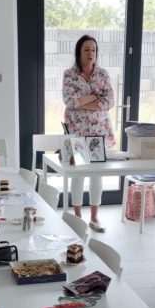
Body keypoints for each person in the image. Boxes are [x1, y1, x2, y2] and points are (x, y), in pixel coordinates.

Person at [62, 34, 115, 232]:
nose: (90, 53)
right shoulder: (70, 74)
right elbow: (69, 100)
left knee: (97, 175)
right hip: (76, 132)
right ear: (79, 52)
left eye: (93, 50)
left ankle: (94, 217)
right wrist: (95, 97)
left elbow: (109, 101)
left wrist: (85, 101)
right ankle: (78, 218)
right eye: (86, 50)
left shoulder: (103, 74)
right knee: (78, 175)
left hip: (98, 132)